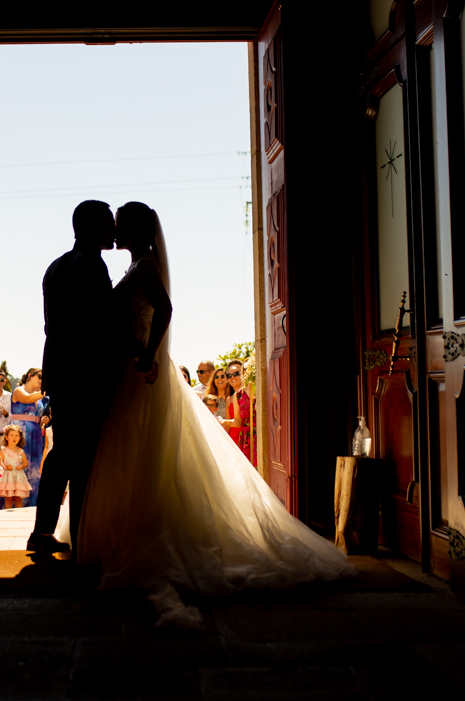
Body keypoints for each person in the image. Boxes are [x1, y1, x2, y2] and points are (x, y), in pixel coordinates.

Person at [62, 201, 357, 628]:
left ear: (139, 229)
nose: (115, 229)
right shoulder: (135, 267)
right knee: (130, 456)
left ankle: (141, 535)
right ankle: (122, 533)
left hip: (139, 372)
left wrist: (147, 355)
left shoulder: (144, 266)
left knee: (141, 455)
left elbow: (163, 311)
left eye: (121, 223)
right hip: (128, 371)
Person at [27, 200, 117, 554]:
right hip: (86, 370)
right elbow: (102, 323)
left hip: (59, 368)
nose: (113, 230)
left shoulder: (55, 267)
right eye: (108, 224)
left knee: (63, 451)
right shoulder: (92, 264)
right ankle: (82, 535)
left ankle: (42, 530)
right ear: (93, 228)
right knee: (83, 457)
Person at [11, 367, 48, 508]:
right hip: (20, 434)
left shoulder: (40, 398)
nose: (41, 381)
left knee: (35, 469)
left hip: (36, 435)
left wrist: (43, 419)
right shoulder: (19, 390)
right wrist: (46, 391)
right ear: (30, 375)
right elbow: (27, 399)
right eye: (39, 377)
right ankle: (16, 504)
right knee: (19, 466)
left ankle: (33, 504)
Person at [222, 360, 255, 466]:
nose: (232, 377)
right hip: (247, 437)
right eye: (229, 375)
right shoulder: (238, 395)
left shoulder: (258, 388)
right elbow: (237, 421)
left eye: (236, 373)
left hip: (262, 433)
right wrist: (223, 422)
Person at [0, 424, 31, 508]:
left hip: (18, 477)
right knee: (9, 498)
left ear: (20, 438)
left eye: (16, 436)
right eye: (12, 435)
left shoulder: (21, 451)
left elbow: (25, 463)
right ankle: (8, 516)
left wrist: (21, 466)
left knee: (18, 498)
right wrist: (6, 467)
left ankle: (19, 515)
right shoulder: (3, 450)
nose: (14, 438)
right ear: (7, 437)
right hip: (8, 477)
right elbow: (0, 463)